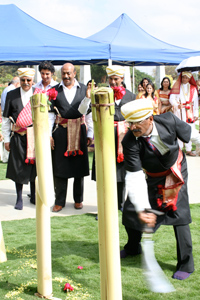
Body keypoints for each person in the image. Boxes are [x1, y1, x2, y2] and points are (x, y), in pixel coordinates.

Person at [119, 98, 200, 280]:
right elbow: (135, 175)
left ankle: (186, 264)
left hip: (175, 171)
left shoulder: (169, 120)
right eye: (130, 123)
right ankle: (133, 248)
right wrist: (142, 208)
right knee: (131, 210)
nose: (133, 127)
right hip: (151, 177)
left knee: (179, 215)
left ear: (150, 118)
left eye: (137, 122)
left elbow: (192, 134)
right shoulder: (130, 141)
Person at [91, 65, 136, 211]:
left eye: (116, 79)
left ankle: (120, 204)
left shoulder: (131, 96)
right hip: (105, 136)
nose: (113, 82)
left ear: (122, 79)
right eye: (110, 79)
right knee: (105, 171)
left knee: (121, 172)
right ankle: (103, 207)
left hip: (124, 138)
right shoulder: (102, 94)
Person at [50, 63, 93, 212]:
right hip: (60, 132)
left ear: (75, 73)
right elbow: (50, 116)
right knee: (60, 167)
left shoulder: (84, 90)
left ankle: (78, 200)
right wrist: (49, 135)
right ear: (60, 74)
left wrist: (90, 134)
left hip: (79, 131)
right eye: (64, 73)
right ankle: (59, 201)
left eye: (69, 73)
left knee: (78, 168)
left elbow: (88, 114)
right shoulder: (54, 91)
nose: (66, 76)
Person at [2, 68, 36, 210]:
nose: (26, 83)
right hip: (17, 137)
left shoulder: (38, 95)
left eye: (28, 80)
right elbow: (5, 120)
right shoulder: (11, 95)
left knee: (34, 167)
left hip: (33, 138)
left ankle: (34, 195)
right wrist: (6, 140)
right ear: (19, 80)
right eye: (23, 80)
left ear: (32, 81)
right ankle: (19, 197)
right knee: (18, 168)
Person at [169, 71, 199, 156]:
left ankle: (189, 149)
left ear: (189, 78)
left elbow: (196, 102)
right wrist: (176, 105)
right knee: (179, 130)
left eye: (186, 77)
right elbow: (172, 98)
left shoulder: (193, 88)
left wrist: (196, 114)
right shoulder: (176, 86)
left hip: (190, 111)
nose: (184, 79)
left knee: (189, 130)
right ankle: (180, 149)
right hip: (180, 111)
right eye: (183, 77)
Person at [1, 77, 20, 163]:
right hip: (11, 116)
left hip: (6, 114)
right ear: (17, 83)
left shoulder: (5, 89)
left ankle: (5, 158)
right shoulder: (12, 92)